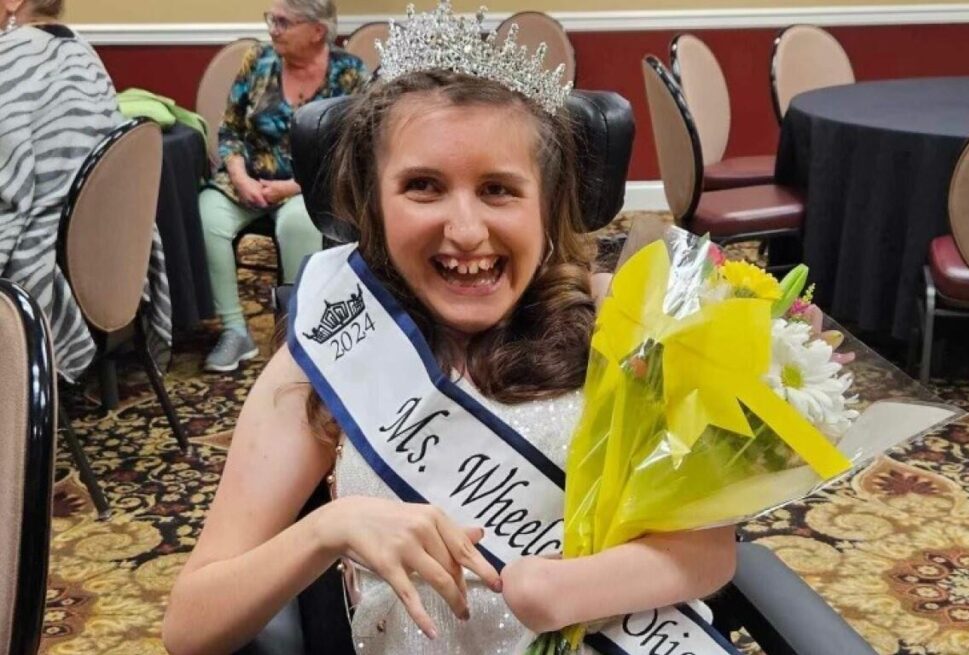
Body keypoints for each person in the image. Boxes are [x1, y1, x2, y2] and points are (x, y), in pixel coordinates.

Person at [164, 4, 736, 654]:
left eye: (498, 190)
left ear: (548, 207)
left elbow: (712, 551)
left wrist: (555, 594)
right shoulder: (330, 354)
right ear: (373, 204)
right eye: (423, 187)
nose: (465, 230)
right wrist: (332, 528)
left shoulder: (624, 320)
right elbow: (189, 625)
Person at [0, 0, 172, 380]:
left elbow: (8, 190)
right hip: (108, 253)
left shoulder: (8, 59)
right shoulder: (81, 47)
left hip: (45, 257)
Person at [200, 0, 365, 372]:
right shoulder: (257, 62)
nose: (273, 29)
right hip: (248, 180)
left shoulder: (350, 73)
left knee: (297, 223)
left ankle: (294, 328)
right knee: (207, 215)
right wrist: (240, 176)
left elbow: (350, 150)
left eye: (283, 22)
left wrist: (291, 187)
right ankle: (234, 331)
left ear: (317, 31)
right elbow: (230, 130)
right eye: (271, 20)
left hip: (310, 185)